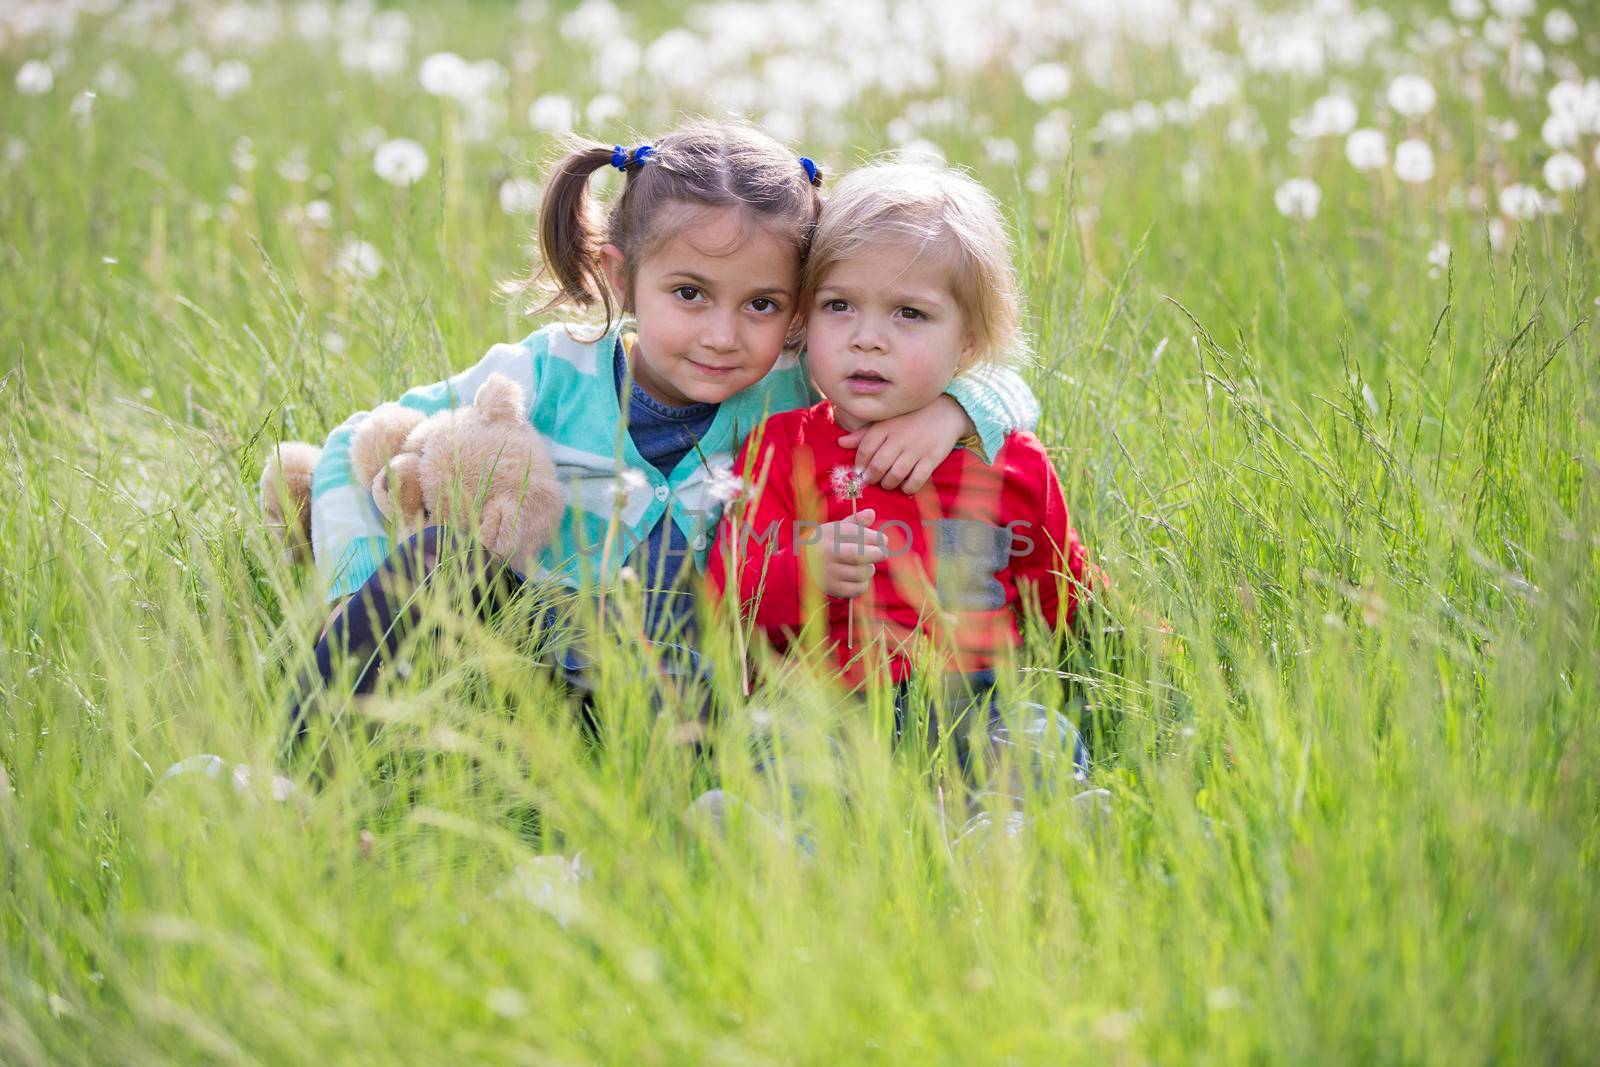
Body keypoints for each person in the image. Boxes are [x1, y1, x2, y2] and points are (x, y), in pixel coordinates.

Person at [287, 121, 1041, 750]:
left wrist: (953, 409)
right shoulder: (546, 373)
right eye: (689, 294)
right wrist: (358, 592)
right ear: (622, 277)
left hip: (688, 702)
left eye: (763, 303)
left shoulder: (786, 389)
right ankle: (298, 766)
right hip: (528, 660)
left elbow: (1005, 387)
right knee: (436, 559)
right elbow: (354, 447)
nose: (723, 335)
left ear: (803, 307)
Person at [707, 160, 1092, 803]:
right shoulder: (782, 447)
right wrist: (801, 570)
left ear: (967, 343)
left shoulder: (1009, 463)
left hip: (972, 701)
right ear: (805, 320)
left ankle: (1012, 837)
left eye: (909, 314)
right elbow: (725, 595)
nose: (868, 339)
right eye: (839, 306)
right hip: (820, 700)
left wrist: (1127, 643)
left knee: (1038, 739)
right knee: (771, 752)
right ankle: (779, 844)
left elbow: (1057, 592)